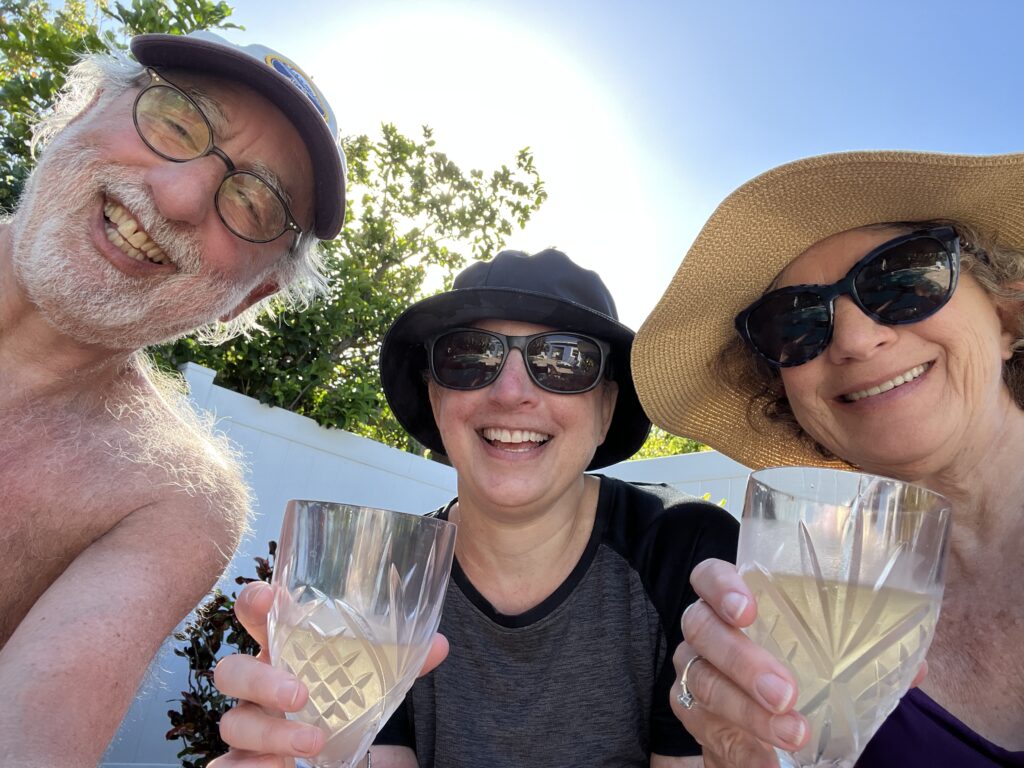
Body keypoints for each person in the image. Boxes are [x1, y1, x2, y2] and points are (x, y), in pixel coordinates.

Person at [210, 249, 739, 767]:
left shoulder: (689, 554)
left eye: (563, 360)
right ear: (436, 400)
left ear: (606, 410)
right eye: (470, 356)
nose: (511, 392)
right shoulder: (384, 580)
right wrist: (308, 751)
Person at [0, 30, 345, 766]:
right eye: (177, 121)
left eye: (253, 205)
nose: (181, 195)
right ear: (83, 106)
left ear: (248, 297)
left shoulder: (174, 498)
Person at [631, 150, 1024, 767]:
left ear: (1006, 311)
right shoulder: (791, 590)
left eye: (903, 280)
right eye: (795, 323)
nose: (855, 339)